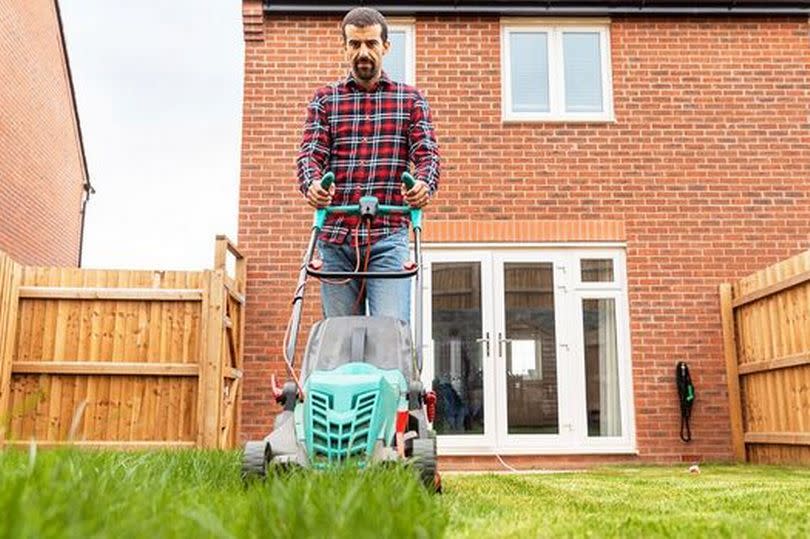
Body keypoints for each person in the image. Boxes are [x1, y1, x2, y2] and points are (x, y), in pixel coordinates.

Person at [297, 7, 440, 323]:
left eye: (371, 44)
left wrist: (423, 186)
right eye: (355, 44)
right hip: (336, 237)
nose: (363, 52)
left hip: (388, 237)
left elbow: (427, 155)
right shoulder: (325, 100)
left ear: (385, 47)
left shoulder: (410, 100)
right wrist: (313, 185)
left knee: (390, 332)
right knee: (339, 338)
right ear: (345, 47)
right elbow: (310, 155)